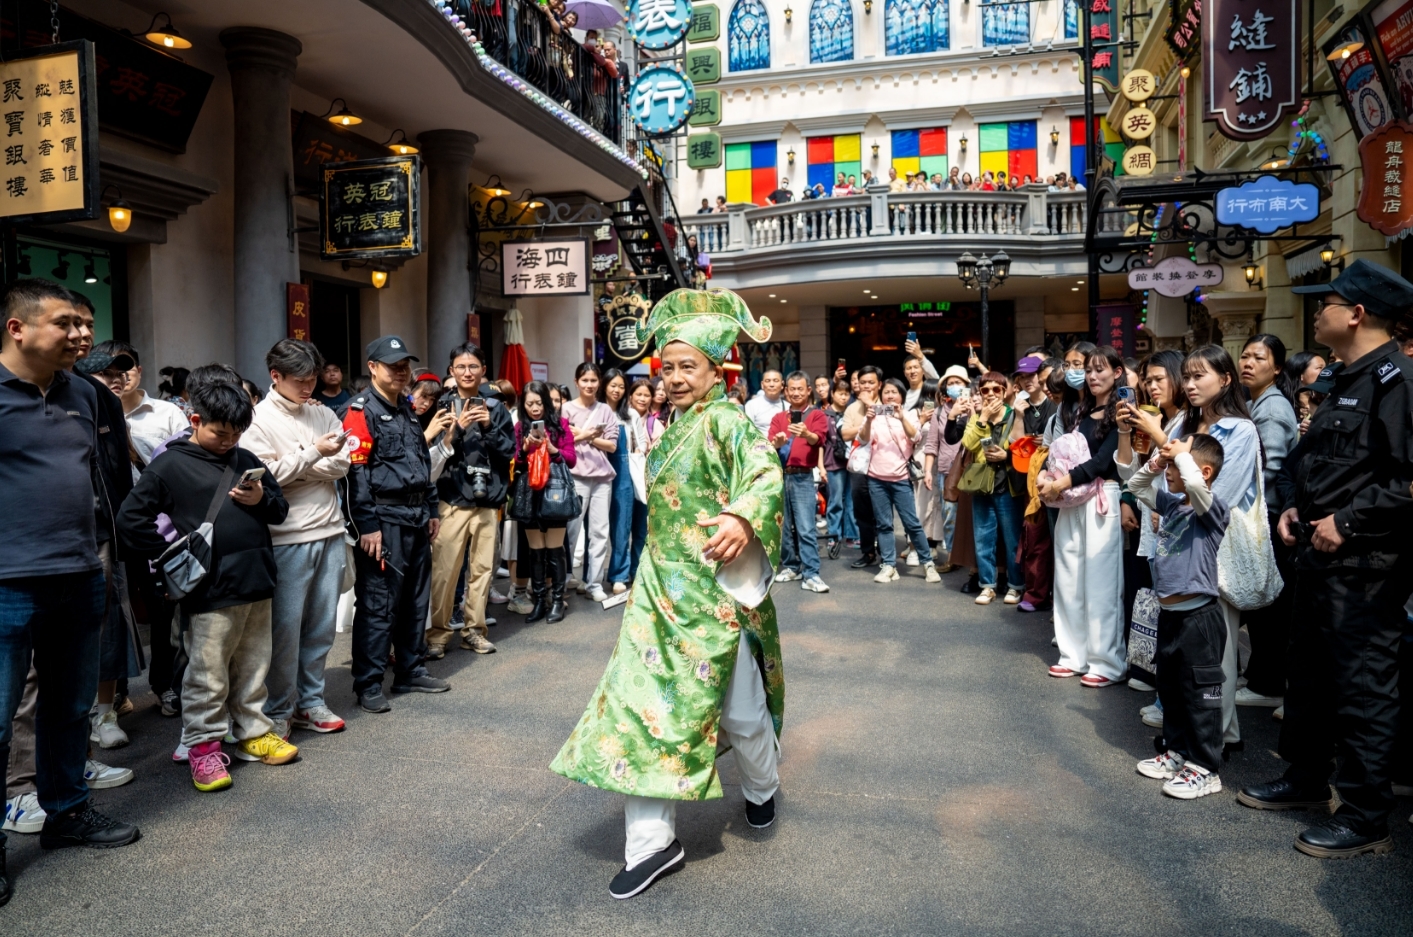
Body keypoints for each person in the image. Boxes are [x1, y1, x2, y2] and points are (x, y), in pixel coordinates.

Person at [550, 288, 784, 899]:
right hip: (659, 594)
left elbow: (764, 474)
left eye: (689, 367)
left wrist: (741, 518)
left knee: (740, 712)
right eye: (668, 367)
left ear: (716, 371)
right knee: (642, 709)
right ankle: (653, 845)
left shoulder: (730, 422)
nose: (675, 379)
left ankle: (761, 786)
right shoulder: (669, 424)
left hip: (713, 597)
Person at [1240, 260, 1413, 859]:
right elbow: (1313, 463)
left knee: (1364, 687)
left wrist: (1347, 520)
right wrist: (1291, 507)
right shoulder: (1344, 379)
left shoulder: (1399, 384)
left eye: (1328, 303)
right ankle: (1306, 779)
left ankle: (1365, 815)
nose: (1318, 311)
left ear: (1358, 313)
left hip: (1367, 567)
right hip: (1317, 558)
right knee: (1308, 675)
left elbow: (1407, 483)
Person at [1, 280, 141, 906]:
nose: (83, 334)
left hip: (80, 573)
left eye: (86, 322)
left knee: (68, 706)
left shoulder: (84, 393)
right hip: (7, 583)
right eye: (67, 323)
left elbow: (102, 477)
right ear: (18, 328)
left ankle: (67, 812)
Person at [118, 380, 297, 790]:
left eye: (236, 433)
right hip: (209, 589)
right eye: (220, 433)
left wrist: (260, 500)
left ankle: (252, 733)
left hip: (256, 580)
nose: (228, 441)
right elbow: (130, 519)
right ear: (195, 420)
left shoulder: (246, 457)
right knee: (207, 673)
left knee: (254, 667)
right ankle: (203, 749)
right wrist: (170, 554)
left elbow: (280, 509)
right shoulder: (170, 465)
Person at [241, 339, 351, 740]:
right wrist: (313, 455)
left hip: (331, 528)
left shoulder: (320, 411)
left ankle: (311, 701)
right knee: (285, 629)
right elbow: (264, 478)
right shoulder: (256, 419)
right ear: (276, 377)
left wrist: (303, 463)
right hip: (286, 536)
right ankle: (279, 707)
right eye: (301, 381)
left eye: (313, 380)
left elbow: (343, 463)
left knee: (321, 626)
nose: (309, 389)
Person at [341, 336, 449, 714]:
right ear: (373, 367)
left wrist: (432, 508)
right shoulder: (359, 411)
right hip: (384, 522)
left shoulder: (405, 407)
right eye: (392, 365)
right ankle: (368, 683)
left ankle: (410, 669)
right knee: (378, 604)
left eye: (405, 365)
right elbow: (356, 474)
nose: (401, 371)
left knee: (416, 600)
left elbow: (420, 459)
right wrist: (367, 525)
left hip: (417, 517)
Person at [1126, 434, 1232, 800]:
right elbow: (1135, 485)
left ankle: (1206, 768)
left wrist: (1182, 458)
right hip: (1170, 617)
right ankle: (1177, 753)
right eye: (1168, 465)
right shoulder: (1172, 506)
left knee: (1200, 697)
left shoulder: (1213, 510)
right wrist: (1156, 462)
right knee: (1170, 691)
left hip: (1199, 620)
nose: (1169, 471)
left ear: (1201, 471)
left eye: (1174, 466)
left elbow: (1198, 489)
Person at [1037, 345, 1126, 687]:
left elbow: (1104, 462)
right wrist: (1050, 478)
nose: (1091, 376)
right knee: (1069, 577)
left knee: (1101, 582)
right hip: (1071, 499)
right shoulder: (1080, 410)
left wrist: (1060, 482)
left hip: (1101, 497)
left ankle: (1106, 661)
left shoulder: (1124, 412)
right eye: (1089, 370)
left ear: (1118, 373)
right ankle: (1072, 655)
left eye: (1100, 370)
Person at [425, 343, 514, 658]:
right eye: (460, 367)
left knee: (481, 572)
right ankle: (437, 633)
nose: (466, 372)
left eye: (473, 366)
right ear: (451, 371)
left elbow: (508, 452)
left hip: (488, 501)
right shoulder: (442, 407)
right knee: (444, 573)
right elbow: (433, 454)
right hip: (451, 499)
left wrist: (488, 425)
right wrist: (459, 427)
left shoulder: (497, 408)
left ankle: (474, 631)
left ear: (483, 371)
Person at [1236, 335, 1300, 711]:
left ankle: (1267, 682)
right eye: (1244, 356)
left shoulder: (1272, 408)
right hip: (1266, 516)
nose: (1248, 363)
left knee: (1269, 606)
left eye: (1258, 358)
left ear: (1276, 367)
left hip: (1270, 517)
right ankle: (1263, 676)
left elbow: (1269, 468)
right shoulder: (1256, 402)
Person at [860, 378, 940, 583]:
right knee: (884, 525)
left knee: (912, 523)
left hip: (901, 478)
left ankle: (927, 563)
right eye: (886, 392)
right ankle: (888, 565)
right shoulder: (874, 414)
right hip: (876, 478)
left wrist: (901, 416)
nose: (890, 395)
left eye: (894, 392)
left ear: (902, 396)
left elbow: (915, 438)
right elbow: (862, 439)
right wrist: (868, 419)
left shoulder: (911, 413)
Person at [513, 382, 577, 624]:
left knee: (554, 550)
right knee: (535, 551)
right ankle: (540, 601)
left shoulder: (560, 425)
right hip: (530, 493)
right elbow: (515, 462)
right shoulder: (520, 428)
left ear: (547, 403)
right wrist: (525, 449)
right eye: (529, 404)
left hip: (555, 493)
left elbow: (571, 459)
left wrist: (552, 449)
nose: (535, 408)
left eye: (539, 403)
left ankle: (557, 601)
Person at [962, 372, 1025, 605]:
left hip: (1008, 484)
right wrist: (982, 419)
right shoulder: (979, 416)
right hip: (982, 485)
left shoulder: (1014, 414)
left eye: (996, 390)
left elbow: (1022, 446)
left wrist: (1005, 454)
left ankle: (1015, 585)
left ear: (1005, 391)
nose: (990, 394)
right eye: (985, 390)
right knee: (983, 538)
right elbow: (967, 443)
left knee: (1012, 539)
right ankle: (987, 586)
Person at [769, 371, 831, 593]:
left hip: (804, 475)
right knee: (783, 527)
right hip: (780, 476)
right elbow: (770, 446)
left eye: (800, 389)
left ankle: (811, 573)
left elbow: (819, 440)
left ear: (808, 391)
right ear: (786, 391)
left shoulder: (816, 416)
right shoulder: (778, 418)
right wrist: (776, 444)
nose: (796, 393)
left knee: (806, 527)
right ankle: (792, 567)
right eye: (792, 389)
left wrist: (806, 434)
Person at [563, 362, 620, 602]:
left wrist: (583, 436)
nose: (589, 385)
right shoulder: (566, 409)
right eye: (584, 380)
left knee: (599, 532)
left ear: (599, 383)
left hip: (602, 478)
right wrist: (591, 435)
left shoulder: (605, 410)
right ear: (576, 382)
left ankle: (594, 583)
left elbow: (612, 445)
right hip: (576, 477)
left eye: (593, 380)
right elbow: (564, 441)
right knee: (570, 531)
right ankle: (564, 578)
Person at [923, 366, 969, 570]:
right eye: (950, 383)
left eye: (958, 382)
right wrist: (927, 471)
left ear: (967, 386)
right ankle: (952, 556)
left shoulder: (975, 408)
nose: (954, 386)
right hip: (945, 471)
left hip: (970, 470)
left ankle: (971, 560)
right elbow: (932, 444)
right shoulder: (940, 411)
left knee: (970, 514)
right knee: (949, 515)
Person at [841, 365, 883, 568]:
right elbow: (845, 434)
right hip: (859, 467)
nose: (866, 386)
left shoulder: (887, 404)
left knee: (882, 511)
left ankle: (887, 553)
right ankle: (868, 553)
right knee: (862, 512)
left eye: (871, 382)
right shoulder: (851, 408)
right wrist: (866, 425)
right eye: (863, 382)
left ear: (879, 385)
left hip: (884, 465)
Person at [603, 368, 639, 595]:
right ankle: (591, 577)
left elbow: (638, 443)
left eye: (621, 386)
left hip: (623, 470)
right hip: (596, 469)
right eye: (612, 385)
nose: (616, 390)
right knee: (595, 528)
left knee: (621, 526)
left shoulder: (630, 415)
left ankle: (619, 574)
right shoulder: (597, 410)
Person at [822, 378, 857, 559]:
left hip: (851, 462)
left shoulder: (851, 413)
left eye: (846, 394)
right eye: (840, 393)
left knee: (851, 501)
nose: (843, 397)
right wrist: (821, 467)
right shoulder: (825, 415)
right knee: (835, 500)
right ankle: (834, 535)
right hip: (832, 462)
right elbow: (820, 443)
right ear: (832, 394)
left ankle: (851, 535)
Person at [744, 368, 787, 437]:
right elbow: (748, 432)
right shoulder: (751, 405)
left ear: (782, 385)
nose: (771, 384)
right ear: (762, 384)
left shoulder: (788, 406)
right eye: (767, 381)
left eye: (775, 381)